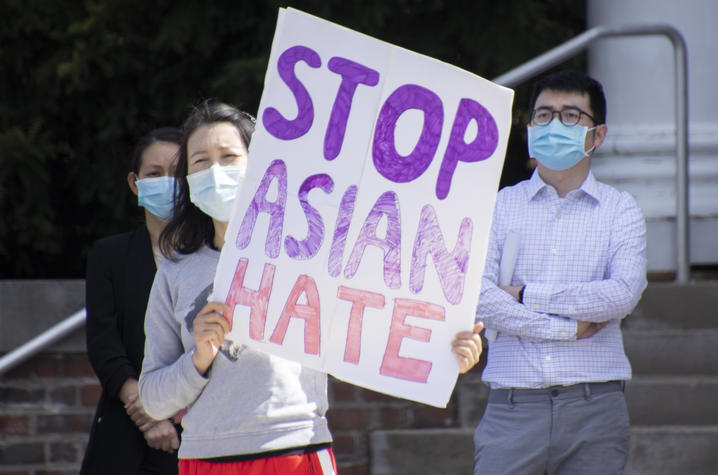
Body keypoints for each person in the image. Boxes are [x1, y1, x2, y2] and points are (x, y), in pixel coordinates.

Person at [138, 100, 484, 475]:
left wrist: (447, 351)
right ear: (187, 177)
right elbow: (153, 401)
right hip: (204, 459)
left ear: (260, 163)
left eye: (229, 156)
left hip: (297, 451)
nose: (216, 171)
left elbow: (377, 326)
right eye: (201, 161)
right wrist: (198, 359)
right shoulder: (175, 273)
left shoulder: (315, 255)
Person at [473, 70, 647, 475]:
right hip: (511, 409)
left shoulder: (621, 210)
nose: (554, 126)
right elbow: (479, 296)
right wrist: (567, 329)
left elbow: (621, 294)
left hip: (595, 408)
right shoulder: (498, 205)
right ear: (529, 128)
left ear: (598, 135)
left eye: (571, 116)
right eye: (543, 115)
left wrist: (525, 294)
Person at [82, 127, 183, 474]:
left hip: (200, 435)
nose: (167, 182)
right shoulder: (110, 256)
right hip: (125, 434)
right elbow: (104, 343)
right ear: (134, 182)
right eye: (155, 174)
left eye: (178, 174)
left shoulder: (216, 259)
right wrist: (146, 412)